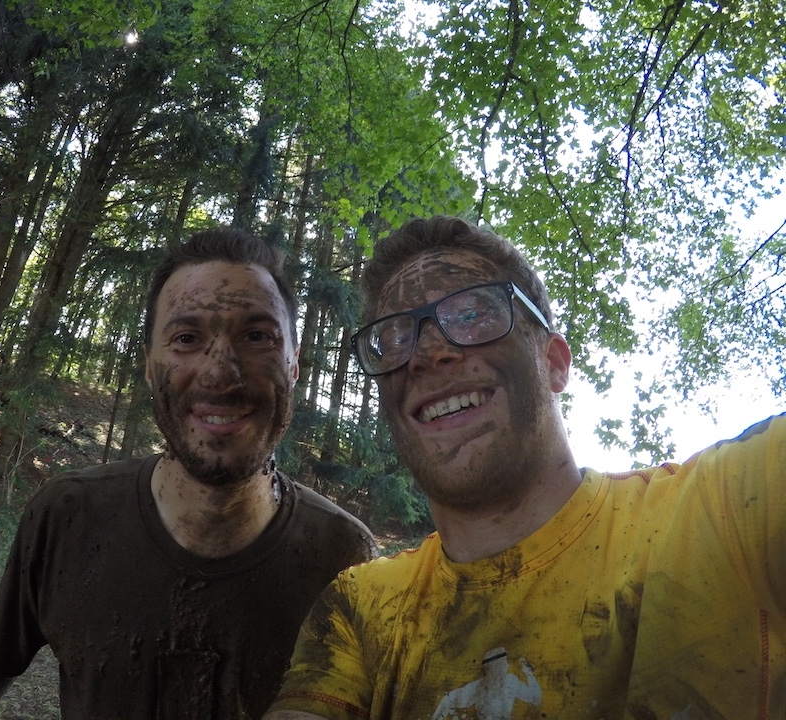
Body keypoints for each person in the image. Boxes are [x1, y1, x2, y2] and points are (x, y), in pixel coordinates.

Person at [264, 215, 786, 720]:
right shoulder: (361, 609)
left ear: (554, 363)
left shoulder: (726, 506)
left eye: (471, 313)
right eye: (396, 337)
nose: (427, 353)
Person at [0, 227, 377, 720]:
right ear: (149, 366)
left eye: (257, 336)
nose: (219, 372)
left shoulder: (346, 562)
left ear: (293, 365)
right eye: (186, 338)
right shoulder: (68, 517)